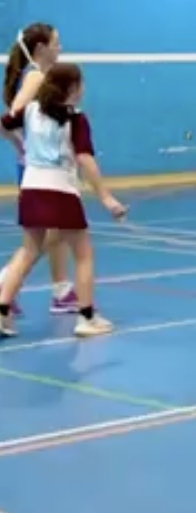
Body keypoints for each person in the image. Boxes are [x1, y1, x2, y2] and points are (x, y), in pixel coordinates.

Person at [0, 63, 125, 338]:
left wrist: (19, 146)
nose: (83, 89)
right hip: (61, 190)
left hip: (31, 188)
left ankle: (2, 311)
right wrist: (106, 197)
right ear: (72, 88)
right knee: (83, 255)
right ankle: (86, 318)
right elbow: (85, 159)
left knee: (28, 251)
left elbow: (5, 122)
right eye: (81, 84)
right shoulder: (75, 119)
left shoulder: (30, 111)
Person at [0, 23, 75, 315]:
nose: (61, 48)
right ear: (41, 48)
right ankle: (6, 283)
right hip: (37, 169)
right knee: (39, 239)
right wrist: (21, 145)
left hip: (43, 168)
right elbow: (9, 118)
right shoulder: (35, 77)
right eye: (56, 43)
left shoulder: (38, 76)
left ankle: (60, 291)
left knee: (57, 230)